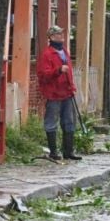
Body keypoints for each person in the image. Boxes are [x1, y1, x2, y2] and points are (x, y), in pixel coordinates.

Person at [36, 25, 82, 160]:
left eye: (61, 35)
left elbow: (70, 72)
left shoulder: (65, 52)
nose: (61, 38)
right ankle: (54, 151)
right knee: (52, 121)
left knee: (69, 121)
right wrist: (58, 70)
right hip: (53, 94)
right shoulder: (47, 54)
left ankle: (68, 151)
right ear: (50, 37)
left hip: (67, 92)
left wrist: (71, 87)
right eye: (57, 35)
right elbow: (43, 74)